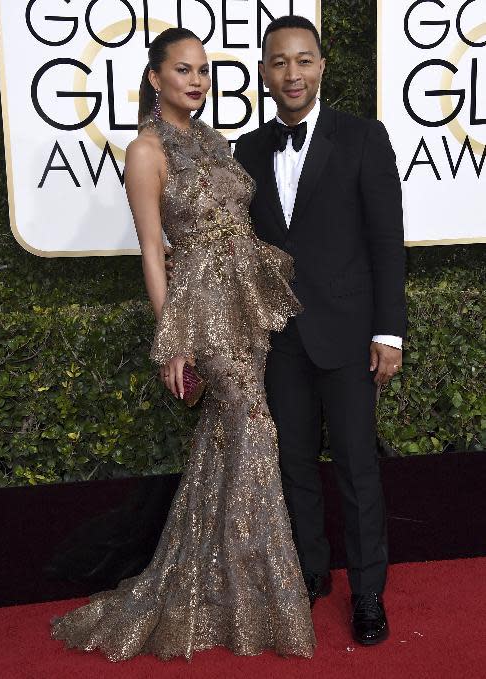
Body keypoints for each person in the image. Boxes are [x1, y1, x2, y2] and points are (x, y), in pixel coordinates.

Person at [50, 27, 316, 661]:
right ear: (154, 78)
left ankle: (215, 584)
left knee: (226, 442)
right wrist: (174, 339)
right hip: (202, 310)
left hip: (244, 303)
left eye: (202, 71)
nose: (196, 81)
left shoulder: (212, 142)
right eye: (182, 71)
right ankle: (262, 596)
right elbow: (152, 248)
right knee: (255, 429)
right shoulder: (146, 150)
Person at [233, 16, 406, 646]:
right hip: (279, 338)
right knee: (294, 465)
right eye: (279, 62)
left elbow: (387, 243)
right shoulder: (246, 150)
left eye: (303, 60)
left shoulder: (363, 137)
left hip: (349, 332)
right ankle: (309, 572)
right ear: (264, 73)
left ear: (322, 66)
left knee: (358, 467)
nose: (292, 74)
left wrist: (389, 331)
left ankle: (367, 594)